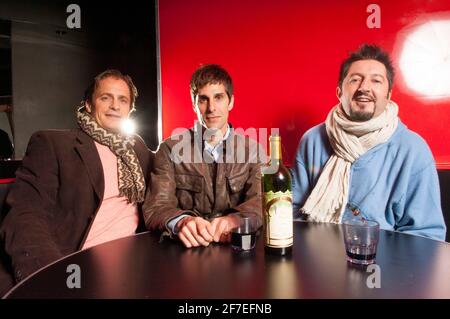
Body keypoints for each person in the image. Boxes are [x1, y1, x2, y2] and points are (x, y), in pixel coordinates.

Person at [0, 69, 153, 295]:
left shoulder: (137, 148)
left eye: (123, 100)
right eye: (105, 97)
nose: (114, 106)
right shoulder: (53, 144)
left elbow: (172, 179)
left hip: (131, 265)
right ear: (89, 105)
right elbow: (25, 215)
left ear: (130, 110)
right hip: (75, 265)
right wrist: (54, 276)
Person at [291, 44, 446, 241]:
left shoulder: (413, 150)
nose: (364, 87)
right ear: (339, 91)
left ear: (388, 95)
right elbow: (293, 212)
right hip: (318, 258)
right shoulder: (312, 140)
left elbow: (426, 235)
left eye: (376, 81)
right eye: (355, 80)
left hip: (387, 264)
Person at [143, 64, 263, 248]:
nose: (211, 108)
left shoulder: (254, 151)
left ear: (231, 101)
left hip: (238, 248)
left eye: (219, 97)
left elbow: (263, 201)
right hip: (185, 252)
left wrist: (235, 220)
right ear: (194, 104)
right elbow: (156, 207)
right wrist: (182, 222)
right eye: (203, 99)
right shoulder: (169, 149)